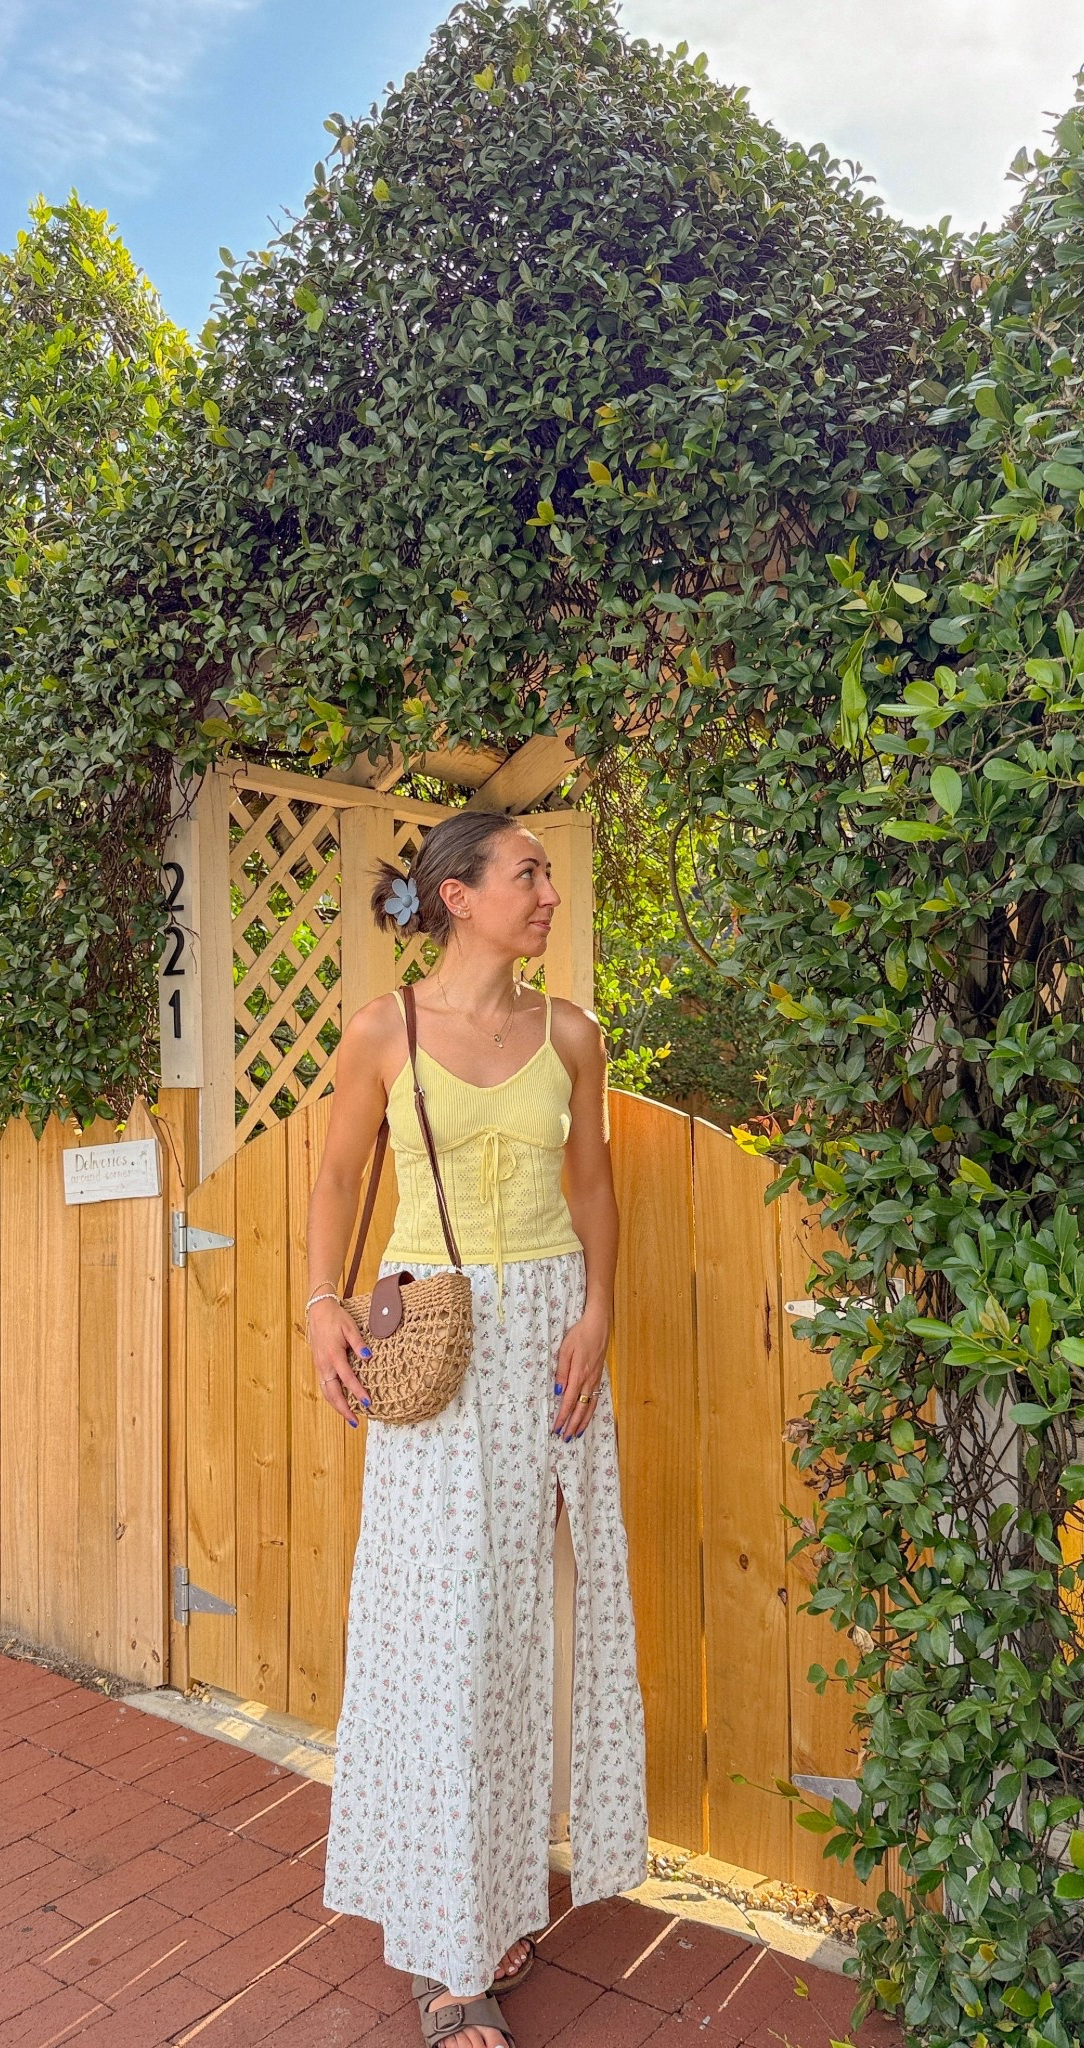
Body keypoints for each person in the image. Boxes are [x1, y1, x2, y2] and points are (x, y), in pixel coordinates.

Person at [308, 809, 648, 2048]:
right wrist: (317, 1303)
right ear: (457, 896)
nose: (548, 891)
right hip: (437, 1335)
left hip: (551, 1328)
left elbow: (594, 1181)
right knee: (442, 1628)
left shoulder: (572, 1034)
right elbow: (339, 1176)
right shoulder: (382, 1033)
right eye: (527, 873)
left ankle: (498, 1889)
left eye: (547, 873)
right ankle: (451, 1955)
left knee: (534, 1622)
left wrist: (602, 1309)